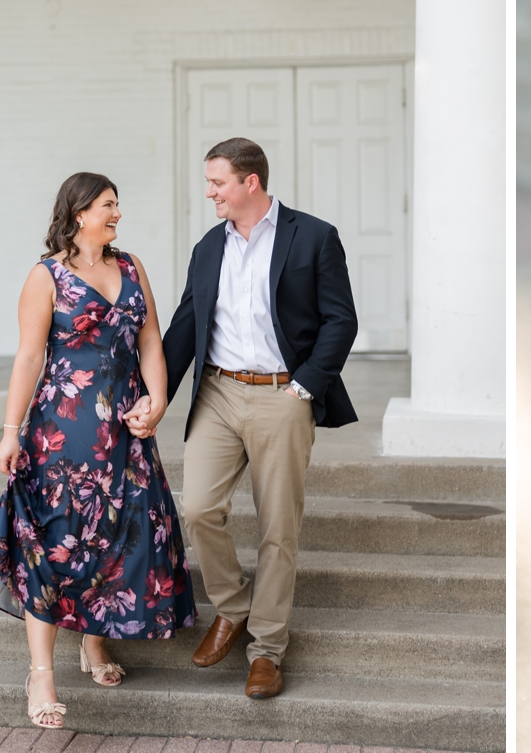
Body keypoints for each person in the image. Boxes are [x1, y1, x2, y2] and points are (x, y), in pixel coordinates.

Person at [0, 172, 195, 730]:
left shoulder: (131, 266)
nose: (117, 214)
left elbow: (151, 340)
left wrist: (156, 400)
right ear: (79, 211)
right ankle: (41, 672)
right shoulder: (47, 277)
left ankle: (93, 643)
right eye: (108, 205)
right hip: (62, 432)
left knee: (116, 536)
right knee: (55, 543)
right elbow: (27, 358)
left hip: (126, 430)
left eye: (118, 205)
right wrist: (10, 429)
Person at [148, 136, 358, 700]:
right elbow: (185, 325)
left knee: (277, 529)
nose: (210, 193)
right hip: (217, 391)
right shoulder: (207, 247)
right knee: (198, 508)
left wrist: (305, 387)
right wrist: (155, 396)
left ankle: (266, 650)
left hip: (280, 396)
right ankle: (232, 608)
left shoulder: (313, 236)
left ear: (250, 183)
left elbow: (341, 321)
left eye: (217, 183)